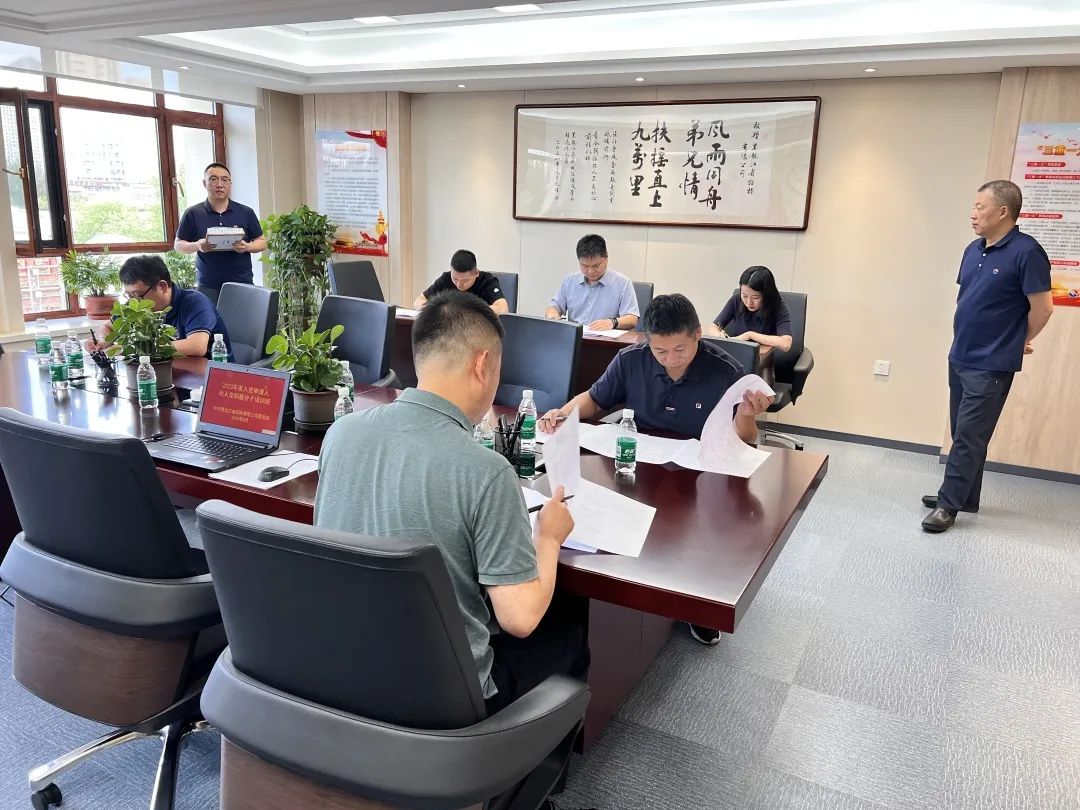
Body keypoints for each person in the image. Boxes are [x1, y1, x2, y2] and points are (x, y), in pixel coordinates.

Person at [314, 291, 588, 713]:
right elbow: (520, 619)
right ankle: (518, 750)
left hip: (344, 668)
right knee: (570, 631)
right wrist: (548, 538)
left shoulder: (340, 434)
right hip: (446, 698)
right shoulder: (487, 471)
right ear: (482, 365)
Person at [539, 294, 772, 647]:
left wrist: (745, 415)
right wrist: (564, 412)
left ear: (697, 335)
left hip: (698, 472)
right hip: (641, 463)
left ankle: (697, 607)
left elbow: (745, 439)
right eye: (660, 351)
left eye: (680, 349)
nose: (670, 359)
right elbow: (596, 399)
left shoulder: (726, 371)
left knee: (697, 533)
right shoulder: (631, 359)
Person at [922, 180, 1053, 533]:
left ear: (1003, 212)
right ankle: (965, 496)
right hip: (961, 354)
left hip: (992, 362)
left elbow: (1043, 308)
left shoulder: (1027, 252)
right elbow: (969, 299)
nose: (973, 213)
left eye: (980, 207)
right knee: (964, 431)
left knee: (969, 436)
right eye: (973, 206)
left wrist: (1020, 339)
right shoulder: (973, 249)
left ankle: (948, 505)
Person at [85, 255, 234, 361]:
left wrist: (133, 348)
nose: (133, 301)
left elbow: (196, 346)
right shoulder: (135, 304)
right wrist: (101, 340)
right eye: (129, 295)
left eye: (138, 295)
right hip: (166, 373)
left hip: (209, 380)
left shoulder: (195, 302)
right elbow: (108, 327)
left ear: (162, 286)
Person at [174, 162, 265, 305]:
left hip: (242, 282)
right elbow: (178, 245)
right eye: (213, 179)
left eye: (224, 179)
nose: (220, 184)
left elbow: (262, 241)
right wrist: (198, 245)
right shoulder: (193, 213)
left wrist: (247, 247)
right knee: (210, 319)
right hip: (208, 285)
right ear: (204, 183)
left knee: (243, 319)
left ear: (230, 183)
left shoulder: (245, 212)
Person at [545, 233, 640, 330]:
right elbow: (553, 307)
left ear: (606, 258)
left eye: (596, 266)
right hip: (575, 336)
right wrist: (552, 314)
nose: (590, 271)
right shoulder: (569, 281)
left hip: (605, 337)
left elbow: (632, 319)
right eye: (585, 266)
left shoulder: (622, 283)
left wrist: (612, 322)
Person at [706, 265, 793, 353]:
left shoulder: (778, 307)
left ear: (766, 295)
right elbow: (713, 327)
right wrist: (719, 336)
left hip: (763, 358)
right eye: (744, 296)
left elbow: (786, 344)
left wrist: (750, 335)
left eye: (755, 297)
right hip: (737, 354)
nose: (749, 302)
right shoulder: (736, 301)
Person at [413, 249, 508, 314]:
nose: (459, 284)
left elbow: (503, 308)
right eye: (455, 279)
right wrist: (426, 308)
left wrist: (473, 310)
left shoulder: (487, 281)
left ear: (476, 273)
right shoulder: (446, 278)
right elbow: (419, 300)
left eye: (464, 280)